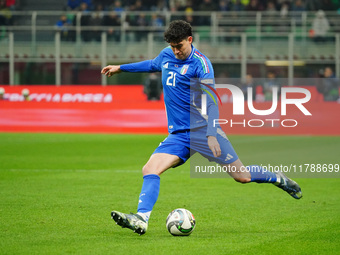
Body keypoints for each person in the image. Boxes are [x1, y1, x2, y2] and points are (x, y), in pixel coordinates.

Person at [101, 20, 302, 236]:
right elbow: (151, 64)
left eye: (179, 46)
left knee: (241, 176)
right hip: (178, 134)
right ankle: (141, 219)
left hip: (203, 131)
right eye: (173, 47)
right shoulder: (167, 55)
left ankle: (277, 178)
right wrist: (120, 68)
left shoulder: (201, 65)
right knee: (150, 169)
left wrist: (212, 134)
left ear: (190, 40)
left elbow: (212, 102)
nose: (176, 51)